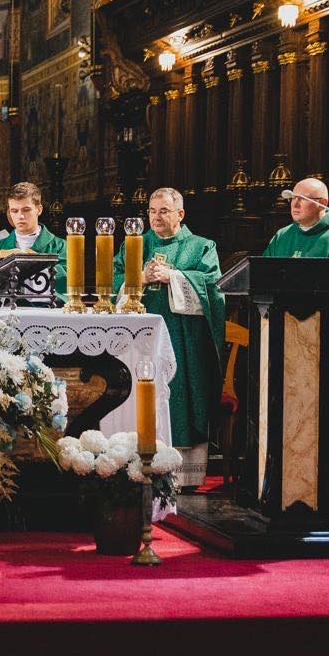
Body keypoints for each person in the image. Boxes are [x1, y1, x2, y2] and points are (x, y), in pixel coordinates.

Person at [262, 176, 329, 496]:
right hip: (287, 337)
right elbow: (263, 281)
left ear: (322, 204)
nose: (294, 204)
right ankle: (290, 476)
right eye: (292, 198)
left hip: (326, 338)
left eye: (302, 198)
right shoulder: (282, 236)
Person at [113, 188, 224, 481]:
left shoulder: (201, 246)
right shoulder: (135, 244)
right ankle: (140, 465)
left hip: (184, 339)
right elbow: (112, 280)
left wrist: (173, 277)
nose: (156, 217)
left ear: (180, 214)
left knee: (184, 397)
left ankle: (185, 475)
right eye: (151, 210)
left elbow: (213, 287)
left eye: (163, 211)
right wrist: (138, 278)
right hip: (141, 341)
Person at [0, 181, 66, 300]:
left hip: (45, 314)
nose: (20, 216)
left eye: (26, 210)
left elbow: (66, 286)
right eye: (14, 211)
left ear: (39, 210)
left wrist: (38, 263)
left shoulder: (60, 246)